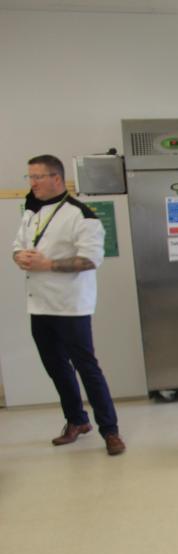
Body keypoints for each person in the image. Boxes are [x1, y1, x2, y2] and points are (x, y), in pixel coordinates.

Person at [11, 154, 125, 455]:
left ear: (56, 178)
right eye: (30, 177)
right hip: (39, 305)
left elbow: (90, 259)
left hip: (71, 306)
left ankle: (110, 431)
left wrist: (47, 264)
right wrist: (19, 257)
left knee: (87, 368)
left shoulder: (82, 214)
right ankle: (76, 420)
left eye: (37, 177)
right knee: (56, 368)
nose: (32, 183)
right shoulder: (31, 211)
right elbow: (17, 246)